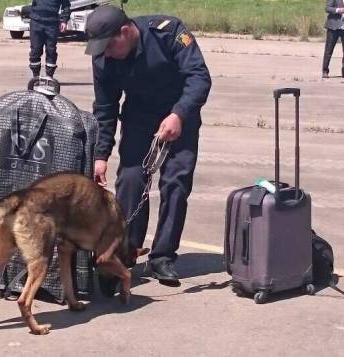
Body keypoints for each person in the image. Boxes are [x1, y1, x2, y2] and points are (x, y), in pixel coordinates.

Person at [84, 5, 212, 285]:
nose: (104, 53)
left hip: (180, 114)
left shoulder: (168, 33)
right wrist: (100, 154)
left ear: (126, 31)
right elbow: (105, 107)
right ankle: (123, 254)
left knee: (175, 185)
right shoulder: (103, 58)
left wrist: (179, 113)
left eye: (108, 46)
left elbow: (199, 77)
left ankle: (162, 257)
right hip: (139, 118)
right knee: (130, 180)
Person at [28, 0, 70, 78]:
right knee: (35, 50)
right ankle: (35, 76)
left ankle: (49, 76)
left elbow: (66, 6)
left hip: (52, 23)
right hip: (36, 21)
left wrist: (64, 21)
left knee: (51, 51)